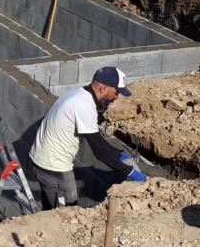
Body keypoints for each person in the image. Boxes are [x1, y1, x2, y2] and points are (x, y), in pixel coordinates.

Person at [32, 66, 147, 209]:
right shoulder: (84, 106)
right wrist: (133, 173)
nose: (116, 97)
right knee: (66, 210)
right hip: (53, 167)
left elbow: (98, 140)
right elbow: (100, 152)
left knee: (52, 206)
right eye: (116, 92)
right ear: (103, 88)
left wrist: (118, 153)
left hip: (44, 160)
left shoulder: (78, 93)